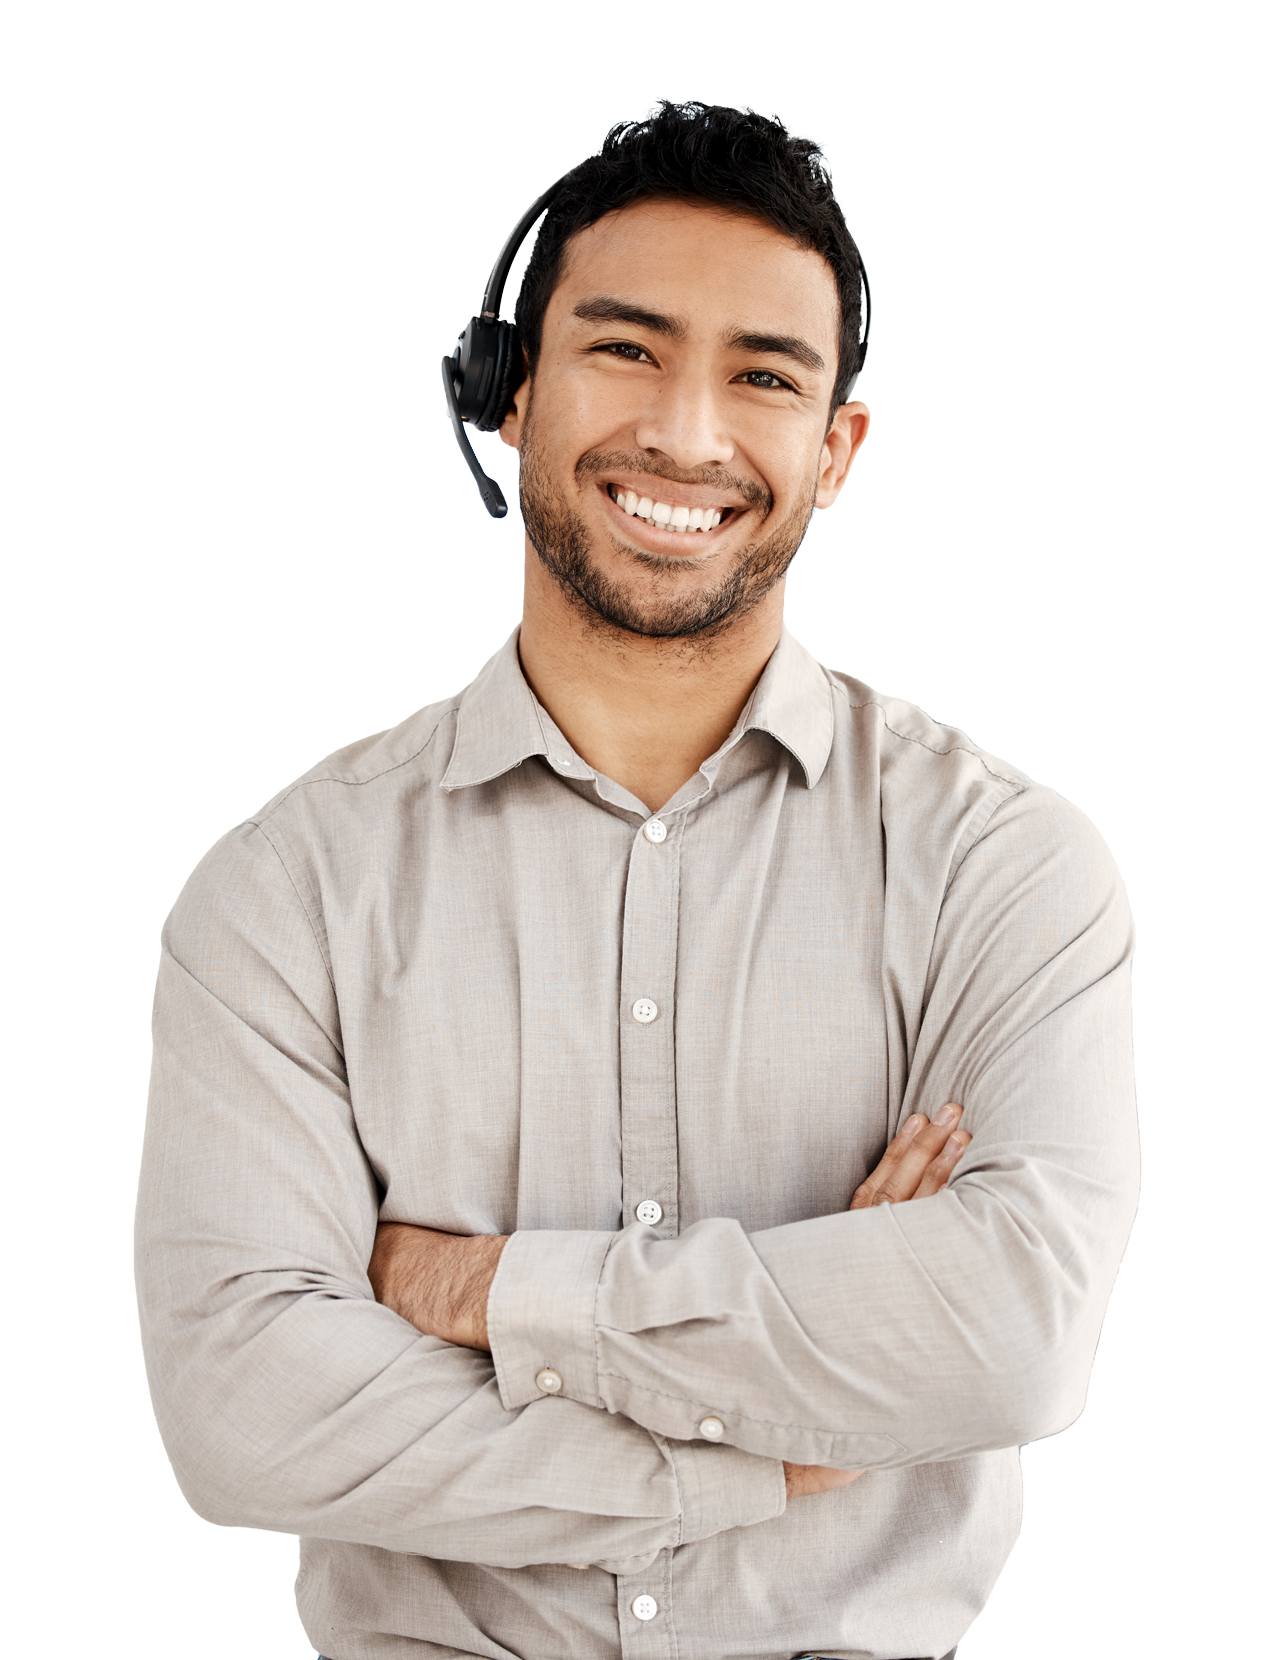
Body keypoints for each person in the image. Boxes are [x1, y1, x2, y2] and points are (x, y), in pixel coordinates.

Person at [135, 100, 1140, 1660]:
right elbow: (248, 1415)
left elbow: (1006, 1338)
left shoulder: (1004, 869)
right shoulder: (284, 896)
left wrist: (493, 1298)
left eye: (763, 375)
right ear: (512, 395)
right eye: (624, 349)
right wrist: (777, 1448)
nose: (687, 433)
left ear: (836, 448)